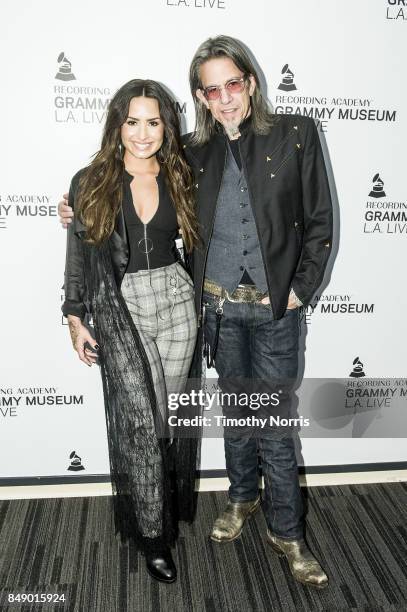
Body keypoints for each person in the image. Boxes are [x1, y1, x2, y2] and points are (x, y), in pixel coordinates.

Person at [59, 35, 333, 589]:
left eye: (234, 83)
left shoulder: (287, 136)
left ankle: (288, 532)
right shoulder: (171, 158)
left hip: (258, 308)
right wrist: (73, 226)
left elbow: (320, 221)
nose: (226, 97)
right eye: (213, 89)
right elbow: (100, 218)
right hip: (199, 309)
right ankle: (222, 507)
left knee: (273, 424)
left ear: (251, 82)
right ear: (201, 97)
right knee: (209, 416)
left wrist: (302, 288)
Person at [61, 79, 199, 584]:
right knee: (139, 424)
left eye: (154, 121)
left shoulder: (184, 173)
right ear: (118, 124)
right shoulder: (91, 179)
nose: (143, 133)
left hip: (178, 300)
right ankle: (152, 535)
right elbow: (78, 252)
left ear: (167, 124)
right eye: (133, 121)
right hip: (121, 306)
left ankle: (157, 511)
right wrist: (75, 316)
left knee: (161, 423)